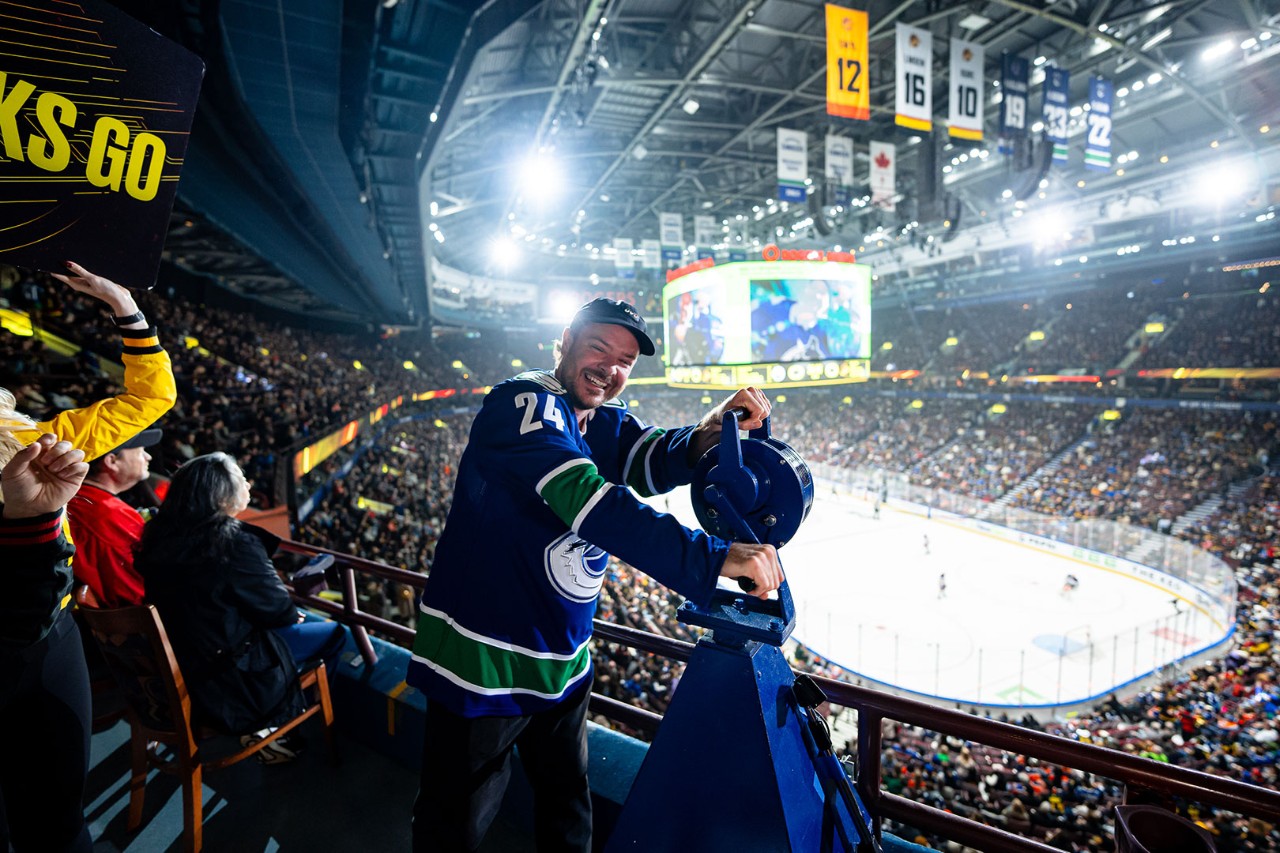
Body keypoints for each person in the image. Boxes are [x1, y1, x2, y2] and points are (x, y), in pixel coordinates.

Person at [409, 297, 783, 852]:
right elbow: (590, 500)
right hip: (483, 658)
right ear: (565, 340)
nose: (611, 368)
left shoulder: (599, 417)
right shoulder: (523, 402)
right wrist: (712, 558)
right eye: (598, 348)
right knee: (456, 823)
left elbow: (649, 457)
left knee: (567, 809)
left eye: (625, 360)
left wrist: (710, 431)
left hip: (563, 660)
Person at [135, 453, 347, 752]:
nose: (248, 484)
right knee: (338, 633)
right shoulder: (232, 541)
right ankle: (285, 725)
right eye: (241, 478)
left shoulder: (159, 534)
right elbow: (279, 612)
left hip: (184, 669)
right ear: (222, 495)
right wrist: (288, 611)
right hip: (231, 680)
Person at [0, 434, 93, 852]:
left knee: (62, 823)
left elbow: (25, 618)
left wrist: (30, 517)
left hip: (52, 639)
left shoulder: (20, 444)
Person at [65, 428, 162, 607]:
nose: (148, 457)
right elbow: (138, 590)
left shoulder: (75, 496)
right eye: (141, 452)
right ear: (112, 461)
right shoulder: (108, 513)